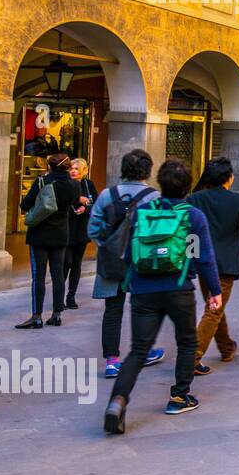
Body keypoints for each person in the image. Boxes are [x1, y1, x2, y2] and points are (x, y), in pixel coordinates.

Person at [103, 158, 222, 434]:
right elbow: (205, 258)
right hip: (179, 289)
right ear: (187, 186)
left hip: (144, 290)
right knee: (187, 341)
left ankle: (118, 400)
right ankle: (179, 396)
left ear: (161, 183)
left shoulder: (143, 211)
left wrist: (132, 282)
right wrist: (214, 291)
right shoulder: (193, 215)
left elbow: (130, 251)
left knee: (138, 350)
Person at [88, 149, 165, 377]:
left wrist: (110, 245)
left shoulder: (106, 195)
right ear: (148, 170)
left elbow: (93, 229)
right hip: (142, 263)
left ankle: (112, 360)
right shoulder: (154, 197)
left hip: (112, 263)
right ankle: (144, 351)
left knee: (112, 310)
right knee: (143, 308)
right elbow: (159, 232)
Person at [187, 156, 239, 375]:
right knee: (214, 310)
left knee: (214, 304)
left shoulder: (194, 199)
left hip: (202, 261)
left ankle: (226, 346)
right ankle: (192, 357)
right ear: (228, 178)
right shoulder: (238, 200)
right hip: (225, 263)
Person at [17, 153, 81, 329]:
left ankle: (37, 316)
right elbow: (74, 203)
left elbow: (25, 204)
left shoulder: (42, 182)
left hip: (40, 234)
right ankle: (57, 314)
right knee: (58, 274)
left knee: (38, 276)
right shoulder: (75, 185)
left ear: (50, 166)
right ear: (67, 167)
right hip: (61, 234)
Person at [64, 158, 97, 310]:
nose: (73, 171)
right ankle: (59, 296)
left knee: (76, 264)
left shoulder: (88, 185)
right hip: (66, 229)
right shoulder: (64, 184)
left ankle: (71, 297)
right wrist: (77, 199)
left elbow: (95, 205)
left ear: (83, 171)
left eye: (77, 169)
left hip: (81, 229)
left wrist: (86, 208)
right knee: (66, 262)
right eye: (71, 168)